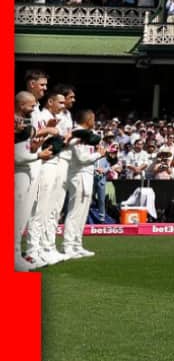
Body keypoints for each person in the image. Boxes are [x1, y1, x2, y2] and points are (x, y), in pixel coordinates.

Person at [15, 91, 53, 271]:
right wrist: (38, 154)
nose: (33, 108)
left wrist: (35, 147)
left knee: (20, 219)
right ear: (21, 105)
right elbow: (14, 156)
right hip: (17, 174)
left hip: (25, 172)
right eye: (31, 106)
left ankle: (15, 256)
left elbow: (25, 147)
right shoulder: (15, 123)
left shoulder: (23, 124)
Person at [63, 110, 106, 258]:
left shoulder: (89, 134)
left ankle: (77, 244)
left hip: (87, 174)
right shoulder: (77, 133)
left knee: (83, 212)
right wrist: (98, 155)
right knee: (75, 211)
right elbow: (81, 157)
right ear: (88, 119)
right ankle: (68, 246)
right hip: (77, 174)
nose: (95, 120)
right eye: (93, 118)